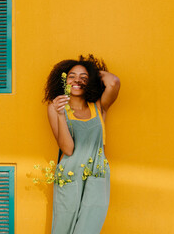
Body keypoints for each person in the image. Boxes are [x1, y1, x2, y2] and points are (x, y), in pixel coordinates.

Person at [44, 54, 120, 234]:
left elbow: (114, 82)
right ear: (63, 80)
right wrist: (61, 114)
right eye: (71, 76)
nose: (77, 80)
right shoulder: (55, 108)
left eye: (83, 78)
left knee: (89, 229)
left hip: (97, 173)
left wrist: (92, 73)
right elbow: (68, 149)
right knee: (63, 229)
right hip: (70, 173)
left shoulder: (99, 106)